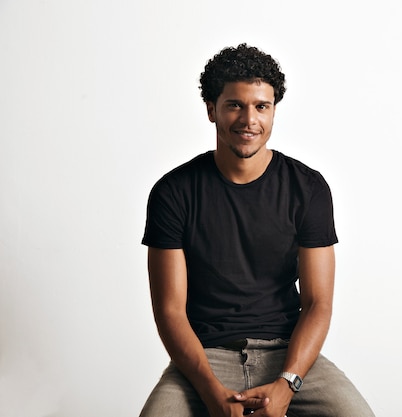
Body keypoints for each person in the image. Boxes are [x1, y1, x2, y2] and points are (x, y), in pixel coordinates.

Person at [139, 43, 375, 417]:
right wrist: (210, 390)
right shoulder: (173, 192)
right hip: (204, 356)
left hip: (288, 354)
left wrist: (288, 382)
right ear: (211, 109)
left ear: (273, 111)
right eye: (235, 104)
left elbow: (318, 304)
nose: (249, 119)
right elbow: (170, 311)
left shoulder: (308, 189)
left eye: (261, 106)